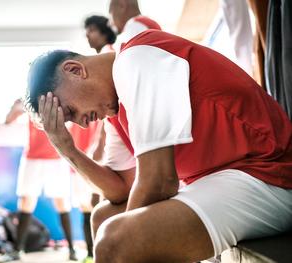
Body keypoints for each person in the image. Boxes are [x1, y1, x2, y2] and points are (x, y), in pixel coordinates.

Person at [25, 29, 292, 263]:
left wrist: (128, 239)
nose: (81, 125)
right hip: (223, 179)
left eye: (71, 111)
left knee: (115, 240)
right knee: (103, 216)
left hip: (269, 174)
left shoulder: (138, 59)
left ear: (75, 70)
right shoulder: (115, 111)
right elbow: (119, 190)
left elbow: (160, 181)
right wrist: (67, 150)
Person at [0, 99, 77, 262]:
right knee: (26, 202)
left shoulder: (61, 93)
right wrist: (17, 108)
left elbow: (73, 123)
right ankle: (17, 250)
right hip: (32, 158)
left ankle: (72, 249)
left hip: (56, 157)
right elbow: (7, 121)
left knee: (62, 203)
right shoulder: (29, 98)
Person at [81, 15, 116, 263]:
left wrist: (100, 147)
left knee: (101, 201)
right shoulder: (103, 57)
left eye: (92, 30)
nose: (87, 35)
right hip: (105, 143)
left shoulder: (110, 56)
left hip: (116, 145)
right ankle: (93, 253)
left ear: (105, 32)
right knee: (95, 204)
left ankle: (103, 252)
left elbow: (111, 111)